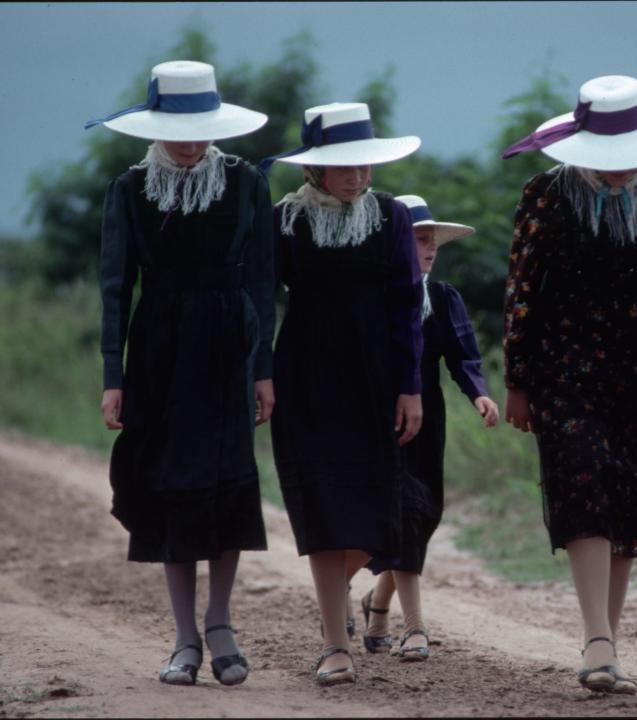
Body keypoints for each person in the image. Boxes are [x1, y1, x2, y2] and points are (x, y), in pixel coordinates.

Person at [501, 74, 637, 695]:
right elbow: (521, 290)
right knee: (583, 486)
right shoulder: (546, 193)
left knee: (627, 503)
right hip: (562, 367)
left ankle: (604, 648)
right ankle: (598, 641)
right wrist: (516, 379)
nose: (617, 171)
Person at [89, 60, 273, 687]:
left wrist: (263, 370)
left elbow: (261, 281)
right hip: (160, 349)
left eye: (201, 127)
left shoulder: (247, 182)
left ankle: (220, 624)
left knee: (225, 483)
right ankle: (184, 638)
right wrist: (114, 375)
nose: (191, 141)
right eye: (178, 128)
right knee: (170, 485)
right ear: (155, 126)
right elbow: (115, 287)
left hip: (229, 346)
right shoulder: (129, 188)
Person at [259, 102, 424, 687]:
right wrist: (261, 372)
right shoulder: (284, 220)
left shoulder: (393, 217)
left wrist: (411, 387)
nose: (357, 176)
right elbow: (259, 300)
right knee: (322, 508)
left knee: (385, 515)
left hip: (375, 379)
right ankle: (334, 644)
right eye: (342, 166)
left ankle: (343, 591)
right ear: (314, 171)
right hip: (305, 375)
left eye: (364, 164)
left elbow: (408, 308)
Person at [357, 194, 500, 662]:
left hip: (429, 416)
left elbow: (463, 355)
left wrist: (479, 391)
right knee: (403, 512)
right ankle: (414, 627)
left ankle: (377, 603)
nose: (430, 249)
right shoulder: (372, 296)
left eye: (433, 242)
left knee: (425, 514)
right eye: (420, 240)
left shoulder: (443, 298)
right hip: (379, 417)